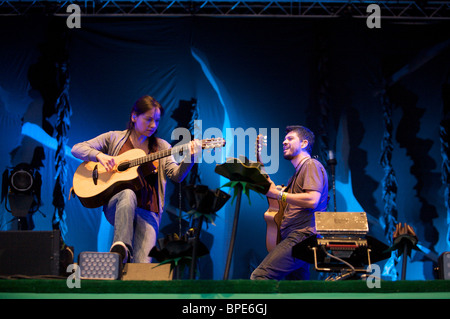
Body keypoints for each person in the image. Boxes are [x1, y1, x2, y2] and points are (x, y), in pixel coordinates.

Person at [71, 95, 200, 263]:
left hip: (148, 211)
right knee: (127, 193)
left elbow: (177, 175)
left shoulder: (162, 147)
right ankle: (121, 247)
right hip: (118, 205)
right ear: (134, 116)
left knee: (142, 268)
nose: (153, 125)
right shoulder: (114, 138)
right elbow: (76, 149)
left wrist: (191, 158)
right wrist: (99, 156)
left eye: (157, 121)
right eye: (148, 120)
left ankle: (123, 255)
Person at [251, 125, 328, 280]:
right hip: (300, 238)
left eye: (290, 138)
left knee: (260, 276)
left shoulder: (310, 164)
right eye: (284, 139)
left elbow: (312, 200)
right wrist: (259, 159)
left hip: (302, 237)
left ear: (304, 143)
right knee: (295, 290)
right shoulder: (296, 175)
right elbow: (271, 189)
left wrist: (280, 194)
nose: (284, 142)